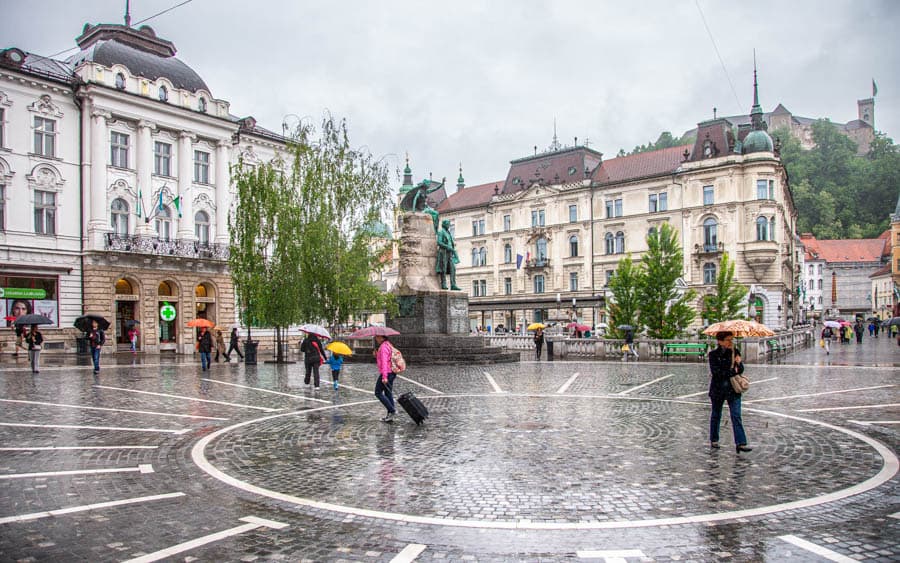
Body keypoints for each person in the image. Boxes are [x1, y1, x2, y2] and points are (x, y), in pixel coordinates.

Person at [708, 331, 751, 453]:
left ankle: (741, 443)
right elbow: (717, 373)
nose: (730, 342)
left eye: (731, 339)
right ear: (720, 341)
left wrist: (738, 363)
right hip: (718, 389)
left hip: (733, 389)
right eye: (728, 339)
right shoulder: (713, 355)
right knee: (716, 415)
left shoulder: (735, 352)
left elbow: (740, 370)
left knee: (736, 415)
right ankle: (714, 439)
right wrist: (732, 371)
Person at [374, 334, 397, 422]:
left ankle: (392, 410)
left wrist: (384, 377)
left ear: (382, 337)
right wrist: (377, 355)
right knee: (388, 393)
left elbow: (384, 363)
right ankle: (390, 415)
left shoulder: (383, 347)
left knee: (378, 392)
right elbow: (386, 359)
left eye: (377, 337)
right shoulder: (388, 344)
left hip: (386, 373)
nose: (376, 338)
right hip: (391, 372)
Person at [435, 218, 461, 290]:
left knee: (453, 268)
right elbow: (439, 242)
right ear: (444, 224)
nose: (449, 225)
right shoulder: (441, 232)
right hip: (443, 252)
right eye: (448, 224)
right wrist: (447, 246)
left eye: (449, 224)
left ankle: (453, 285)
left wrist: (452, 249)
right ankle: (444, 284)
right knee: (443, 268)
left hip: (450, 253)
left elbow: (450, 242)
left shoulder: (449, 233)